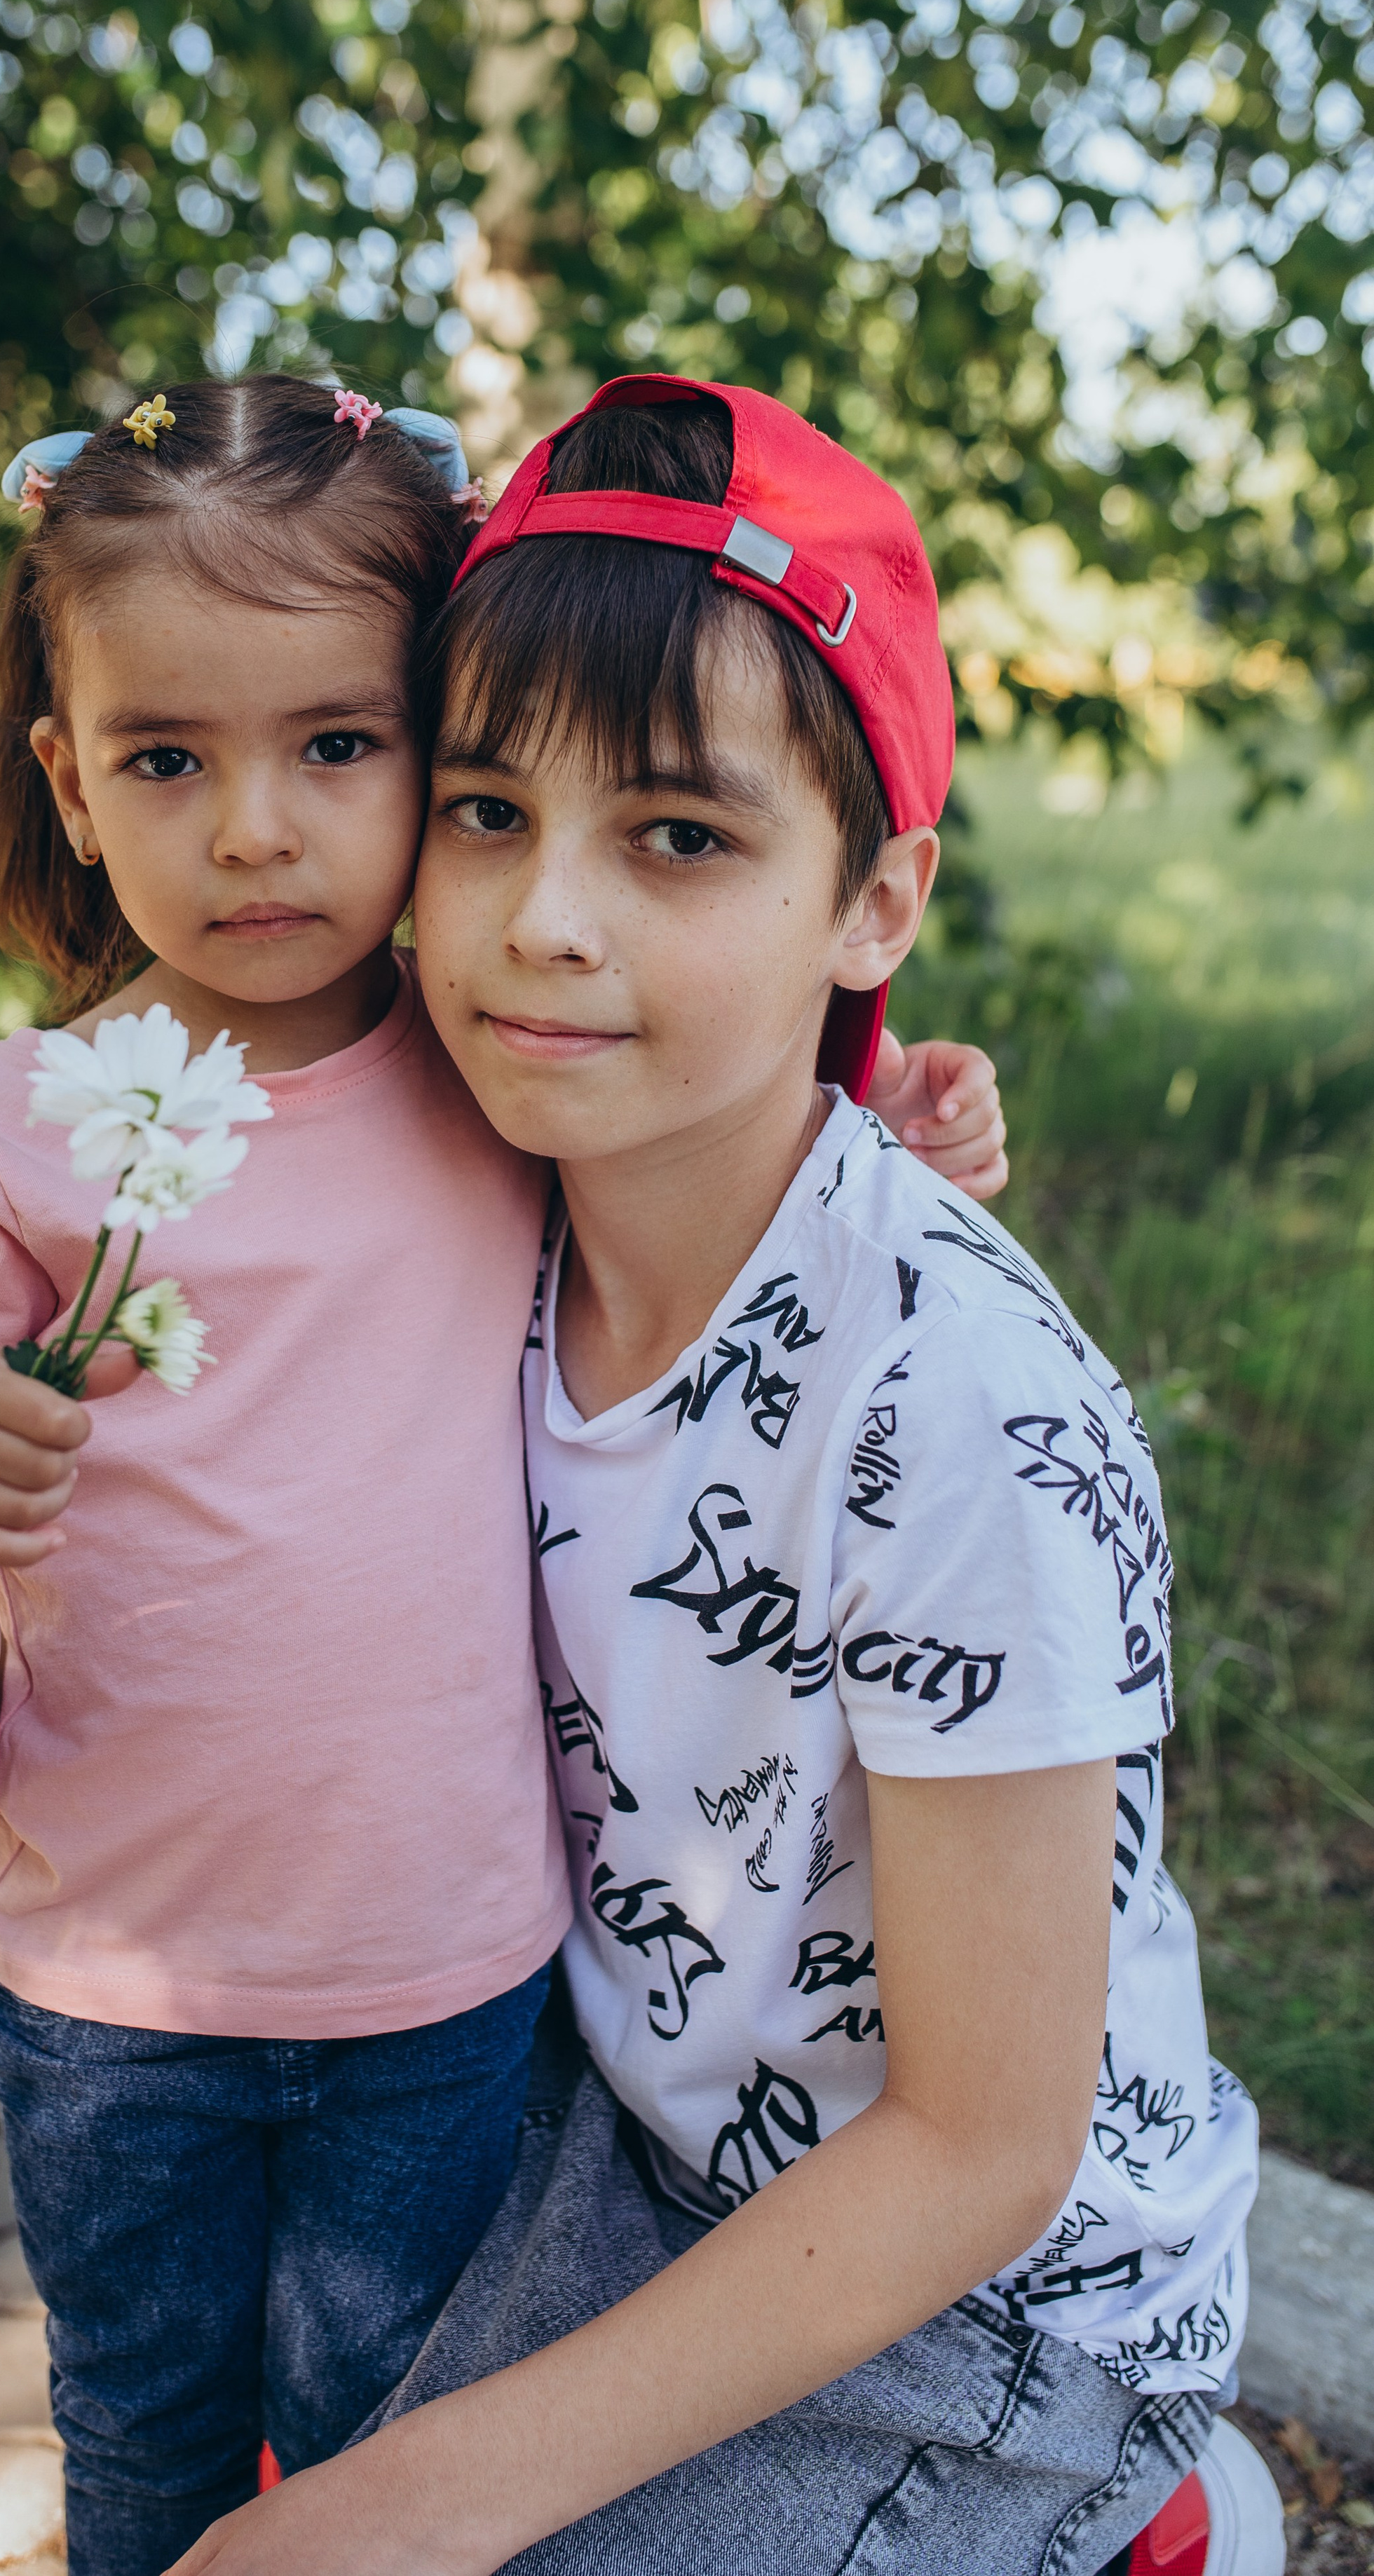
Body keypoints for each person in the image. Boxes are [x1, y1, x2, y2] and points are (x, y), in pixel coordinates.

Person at [0, 372, 1007, 2576]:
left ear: (432, 762)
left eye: (341, 750)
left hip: (450, 1980)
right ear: (69, 778)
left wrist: (883, 1127)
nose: (257, 830)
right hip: (114, 1991)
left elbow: (722, 1174)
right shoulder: (25, 1128)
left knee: (383, 2454)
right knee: (146, 2438)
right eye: (169, 758)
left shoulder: (489, 1067)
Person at [153, 379, 1264, 2576]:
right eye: (484, 809)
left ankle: (1159, 2523)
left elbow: (978, 2150)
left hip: (1005, 2310)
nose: (546, 921)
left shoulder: (959, 1414)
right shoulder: (476, 1207)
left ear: (876, 902)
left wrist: (421, 2508)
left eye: (678, 837)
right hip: (644, 2117)